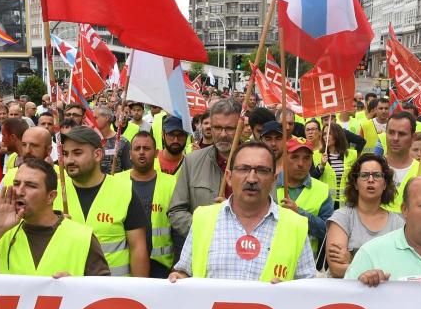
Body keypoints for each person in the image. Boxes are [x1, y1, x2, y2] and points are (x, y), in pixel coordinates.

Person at [170, 142, 315, 282]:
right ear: (228, 177)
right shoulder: (203, 218)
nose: (252, 179)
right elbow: (185, 272)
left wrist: (288, 291)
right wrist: (179, 279)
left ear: (274, 179)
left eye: (262, 171)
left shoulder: (295, 226)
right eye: (243, 169)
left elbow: (308, 288)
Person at [0, 158, 110, 276]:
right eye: (17, 183)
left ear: (51, 197)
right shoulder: (2, 235)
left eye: (31, 185)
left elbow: (104, 296)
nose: (19, 191)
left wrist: (75, 288)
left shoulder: (82, 237)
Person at [60, 126, 150, 277]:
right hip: (69, 293)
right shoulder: (55, 193)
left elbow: (138, 249)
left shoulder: (124, 192)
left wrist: (138, 293)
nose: (69, 160)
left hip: (113, 293)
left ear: (97, 155)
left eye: (77, 153)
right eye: (66, 154)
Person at [168, 98, 241, 241]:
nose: (223, 134)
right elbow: (176, 211)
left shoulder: (259, 163)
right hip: (204, 249)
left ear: (241, 127)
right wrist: (204, 229)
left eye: (230, 128)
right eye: (218, 128)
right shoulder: (192, 162)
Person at [326, 153, 404, 279]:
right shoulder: (342, 217)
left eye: (377, 175)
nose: (371, 180)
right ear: (355, 184)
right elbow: (336, 268)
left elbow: (402, 266)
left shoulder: (398, 223)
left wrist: (353, 261)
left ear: (385, 184)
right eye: (364, 175)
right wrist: (379, 270)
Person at [116, 131, 177, 278]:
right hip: (126, 263)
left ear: (156, 153)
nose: (142, 152)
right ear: (130, 154)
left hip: (162, 266)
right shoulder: (115, 182)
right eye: (137, 149)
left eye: (146, 148)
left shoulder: (172, 183)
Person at [276, 139, 334, 255]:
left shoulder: (321, 190)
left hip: (307, 264)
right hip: (272, 261)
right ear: (284, 159)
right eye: (295, 157)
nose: (301, 163)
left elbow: (328, 230)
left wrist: (299, 214)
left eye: (306, 158)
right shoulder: (269, 186)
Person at [383, 110, 421, 213]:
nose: (395, 138)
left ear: (412, 137)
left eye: (402, 134)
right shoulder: (371, 168)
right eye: (391, 132)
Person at [95, 106, 131, 173]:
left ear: (106, 118)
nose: (93, 120)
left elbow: (129, 170)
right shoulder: (91, 141)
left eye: (95, 118)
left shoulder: (122, 142)